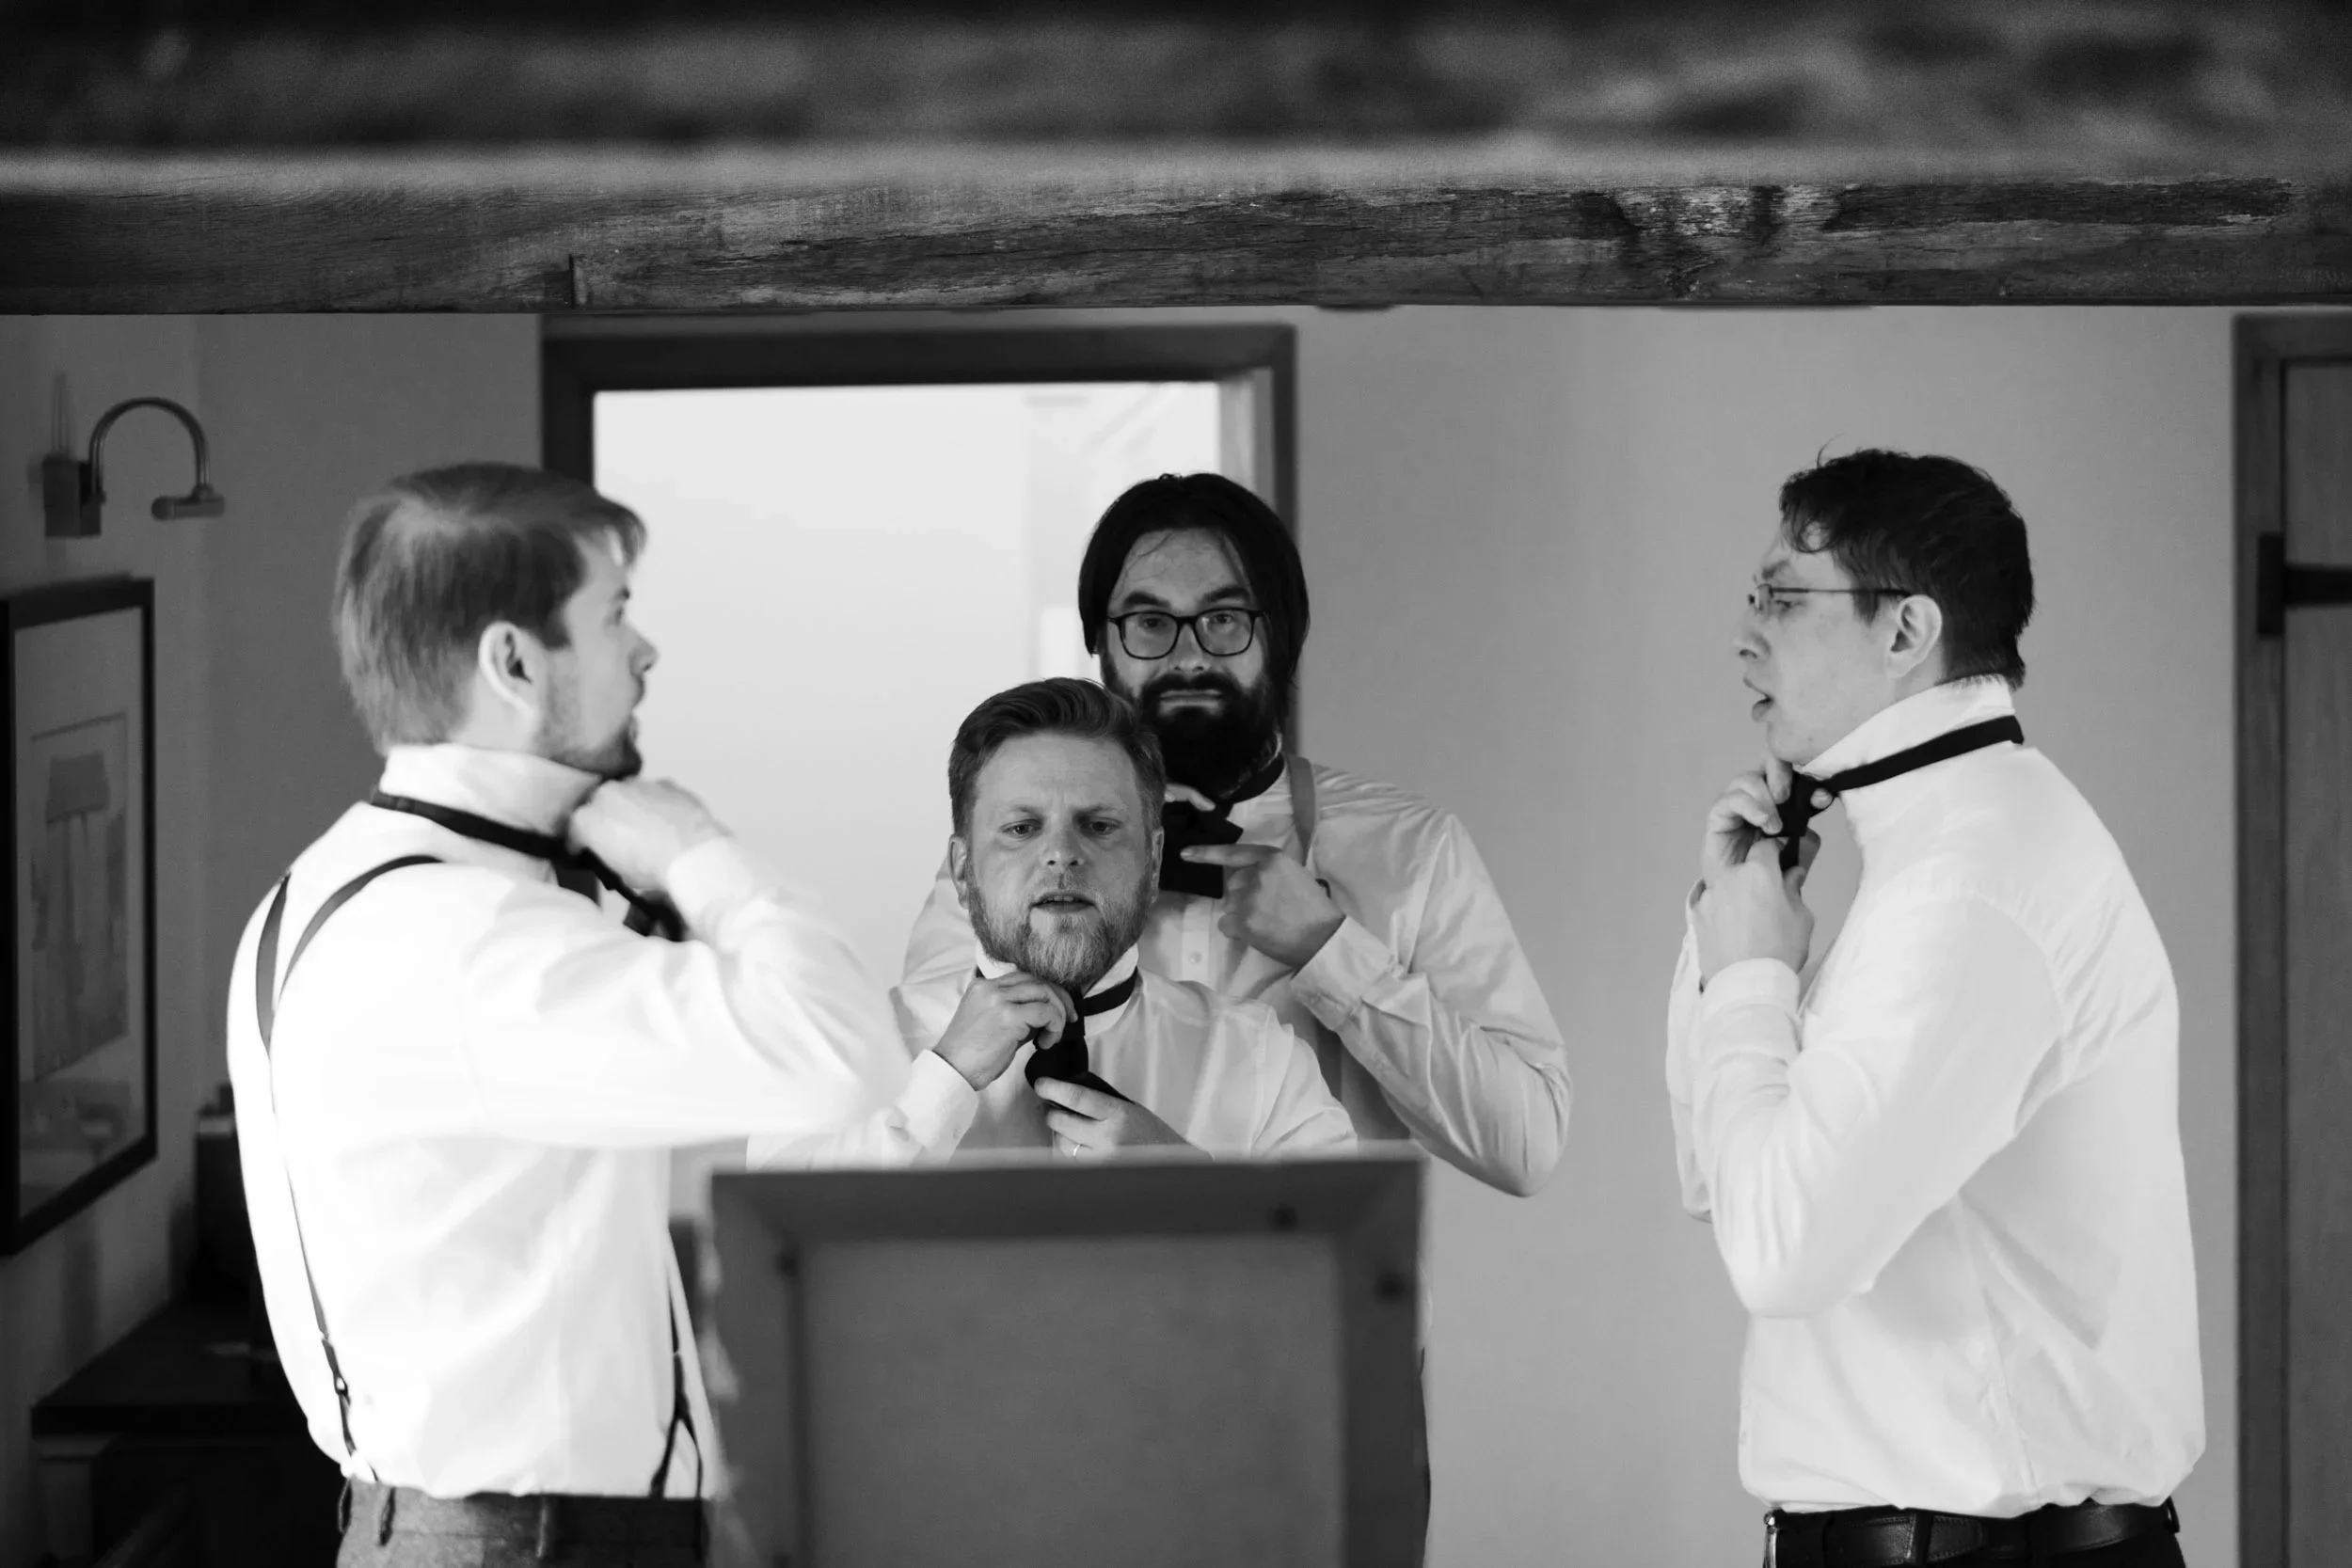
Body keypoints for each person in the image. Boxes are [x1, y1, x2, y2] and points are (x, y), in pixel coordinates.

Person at [225, 463, 911, 1568]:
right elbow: (844, 1052)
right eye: (615, 614)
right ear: (513, 661)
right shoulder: (469, 938)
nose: (647, 651)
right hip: (532, 1545)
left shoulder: (341, 885)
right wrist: (697, 851)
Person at [1666, 450, 2201, 1568]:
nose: (1743, 633)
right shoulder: (1934, 852)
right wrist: (1725, 939)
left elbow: (1781, 1254)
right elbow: (1724, 1181)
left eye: (1780, 597)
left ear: (1906, 629)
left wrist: (1752, 976)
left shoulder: (1971, 882)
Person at [901, 474, 1567, 1196]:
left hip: (1321, 1260)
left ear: (1281, 636)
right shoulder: (1016, 863)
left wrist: (1332, 950)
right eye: (1149, 621)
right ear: (1100, 639)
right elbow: (927, 1069)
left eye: (1224, 618)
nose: (1189, 656)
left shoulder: (1411, 850)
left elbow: (1526, 1147)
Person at [755, 677, 1354, 1166]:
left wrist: (1193, 1191)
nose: (1062, 854)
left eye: (1099, 825)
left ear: (1152, 862)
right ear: (962, 870)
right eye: (1022, 828)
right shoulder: (850, 1053)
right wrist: (942, 1083)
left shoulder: (1262, 1059)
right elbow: (773, 1247)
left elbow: (1361, 1272)